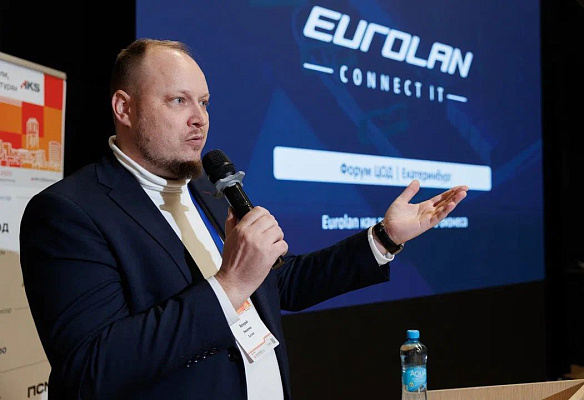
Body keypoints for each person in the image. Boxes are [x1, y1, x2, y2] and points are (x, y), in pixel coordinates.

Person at [19, 38, 468, 400]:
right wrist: (229, 285)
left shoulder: (206, 191)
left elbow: (278, 282)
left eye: (204, 102)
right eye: (178, 101)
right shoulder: (68, 213)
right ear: (125, 108)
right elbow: (91, 370)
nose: (199, 119)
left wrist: (384, 238)